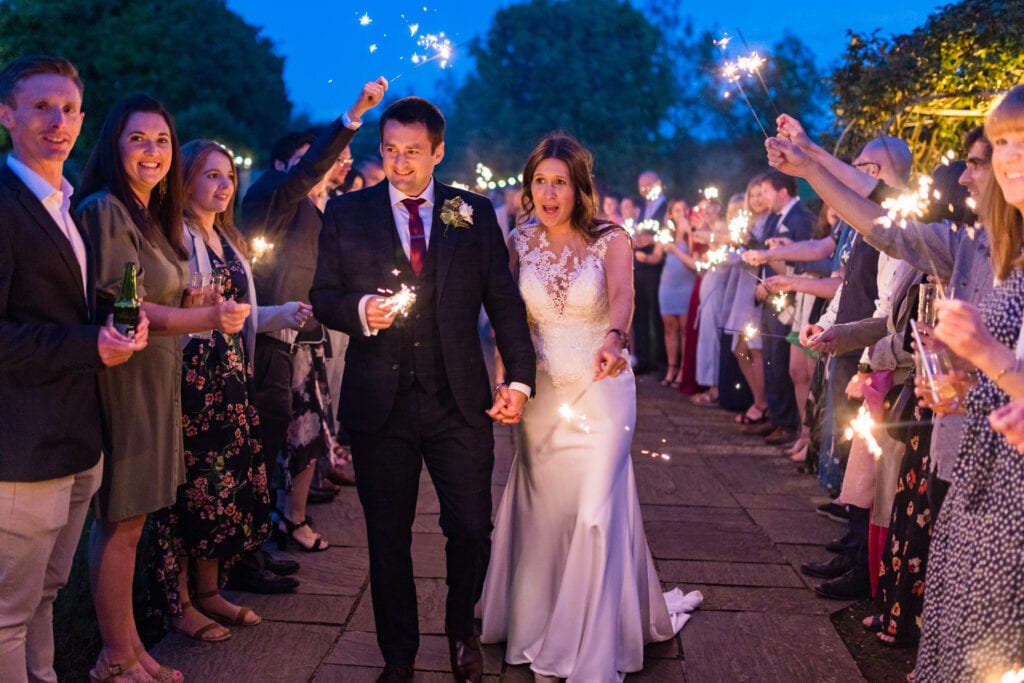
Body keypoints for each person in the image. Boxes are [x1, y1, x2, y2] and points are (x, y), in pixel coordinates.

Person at [310, 96, 536, 683]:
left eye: (413, 151)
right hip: (378, 403)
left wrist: (518, 377)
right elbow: (324, 297)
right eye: (390, 150)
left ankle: (462, 631)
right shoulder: (348, 212)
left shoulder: (472, 212)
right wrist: (361, 309)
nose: (400, 162)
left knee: (469, 526)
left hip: (459, 399)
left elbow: (503, 302)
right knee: (387, 535)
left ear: (438, 151)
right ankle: (399, 654)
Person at [478, 133, 702, 683]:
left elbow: (623, 296)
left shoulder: (612, 238)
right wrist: (506, 379)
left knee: (596, 512)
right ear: (529, 187)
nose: (548, 193)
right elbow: (510, 318)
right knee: (547, 512)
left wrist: (615, 337)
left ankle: (595, 645)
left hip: (603, 388)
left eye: (559, 182)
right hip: (543, 392)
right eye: (539, 182)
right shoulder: (519, 241)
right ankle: (540, 625)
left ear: (581, 188)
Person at [78, 94, 250, 682]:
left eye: (161, 141)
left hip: (161, 374)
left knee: (138, 518)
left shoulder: (150, 213)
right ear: (113, 145)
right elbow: (119, 300)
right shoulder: (106, 209)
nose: (152, 152)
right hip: (127, 376)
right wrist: (203, 318)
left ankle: (130, 648)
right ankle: (115, 655)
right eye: (138, 139)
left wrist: (192, 301)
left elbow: (161, 293)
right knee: (121, 517)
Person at [0, 55, 147, 683]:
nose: (57, 121)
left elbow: (63, 304)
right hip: (23, 445)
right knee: (6, 612)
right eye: (40, 106)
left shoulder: (65, 202)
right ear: (6, 115)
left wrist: (119, 323)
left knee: (49, 595)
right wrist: (91, 345)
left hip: (78, 439)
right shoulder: (5, 204)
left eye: (67, 108)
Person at [149, 140, 314, 642]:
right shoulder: (171, 236)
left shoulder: (227, 238)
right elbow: (178, 311)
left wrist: (281, 315)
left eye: (227, 177)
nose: (223, 186)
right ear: (185, 181)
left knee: (222, 491)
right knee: (187, 493)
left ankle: (210, 588)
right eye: (210, 176)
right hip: (190, 378)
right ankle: (180, 603)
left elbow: (236, 315)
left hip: (230, 375)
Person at [239, 78, 385, 587]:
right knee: (275, 432)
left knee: (300, 429)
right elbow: (310, 168)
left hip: (310, 329)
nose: (322, 169)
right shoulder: (275, 200)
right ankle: (258, 539)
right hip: (276, 332)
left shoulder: (318, 207)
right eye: (308, 162)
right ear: (285, 166)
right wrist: (354, 113)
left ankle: (274, 525)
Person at [915, 83, 1024, 682]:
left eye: (1022, 142)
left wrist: (984, 352)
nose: (1008, 157)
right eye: (1000, 141)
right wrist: (965, 387)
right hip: (988, 485)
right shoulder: (1017, 259)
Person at [656, 199, 697, 387]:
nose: (681, 214)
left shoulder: (692, 234)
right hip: (667, 286)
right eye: (677, 210)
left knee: (684, 329)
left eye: (684, 210)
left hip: (686, 285)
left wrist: (686, 233)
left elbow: (696, 262)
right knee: (669, 328)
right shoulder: (666, 233)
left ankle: (683, 369)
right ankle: (671, 368)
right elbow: (656, 256)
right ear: (671, 214)